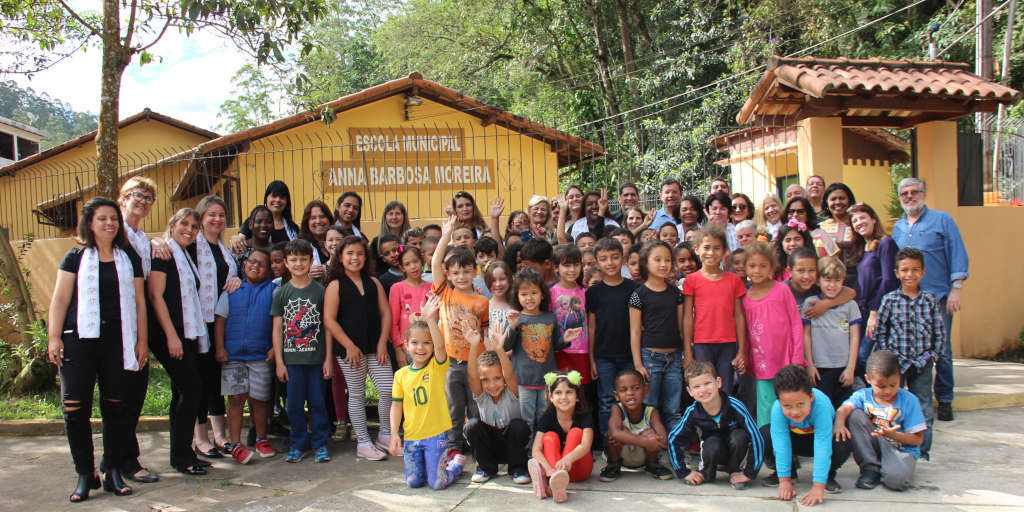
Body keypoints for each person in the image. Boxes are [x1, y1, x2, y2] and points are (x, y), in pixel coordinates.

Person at [48, 197, 146, 501]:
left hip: (118, 340)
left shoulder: (129, 257)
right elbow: (60, 300)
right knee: (74, 408)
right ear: (90, 223)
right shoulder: (75, 257)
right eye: (102, 218)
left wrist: (142, 340)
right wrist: (54, 338)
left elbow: (140, 303)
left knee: (116, 406)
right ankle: (84, 473)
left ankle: (112, 470)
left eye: (113, 218)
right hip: (78, 341)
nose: (109, 224)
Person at [891, 177, 968, 422]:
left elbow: (958, 253)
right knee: (909, 350)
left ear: (923, 194)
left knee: (941, 351)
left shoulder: (942, 220)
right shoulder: (898, 227)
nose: (909, 196)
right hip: (907, 301)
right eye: (904, 193)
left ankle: (944, 400)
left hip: (938, 298)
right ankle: (913, 402)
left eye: (914, 192)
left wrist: (956, 288)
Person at [149, 208, 209, 475]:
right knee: (192, 390)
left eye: (195, 226)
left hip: (187, 333)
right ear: (172, 225)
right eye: (184, 224)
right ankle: (184, 457)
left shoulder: (185, 255)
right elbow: (155, 296)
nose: (189, 229)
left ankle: (182, 453)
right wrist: (171, 335)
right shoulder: (164, 254)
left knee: (181, 394)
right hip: (169, 335)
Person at [323, 236, 393, 461]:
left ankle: (385, 434)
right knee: (356, 395)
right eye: (350, 253)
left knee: (389, 390)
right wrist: (349, 346)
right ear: (340, 258)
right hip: (350, 350)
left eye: (360, 253)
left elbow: (386, 313)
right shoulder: (335, 286)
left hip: (375, 347)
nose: (355, 258)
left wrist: (383, 341)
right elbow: (329, 320)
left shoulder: (374, 282)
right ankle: (363, 442)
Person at [388, 296, 467, 489]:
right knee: (414, 482)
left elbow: (441, 347)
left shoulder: (436, 367)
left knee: (437, 482)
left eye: (426, 343)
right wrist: (393, 434)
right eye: (415, 343)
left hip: (436, 436)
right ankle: (436, 464)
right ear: (406, 345)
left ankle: (455, 464)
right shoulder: (401, 375)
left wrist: (431, 319)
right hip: (412, 436)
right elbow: (396, 405)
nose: (420, 348)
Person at [113, 177, 162, 485]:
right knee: (122, 395)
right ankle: (122, 461)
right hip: (118, 322)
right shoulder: (113, 231)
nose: (143, 201)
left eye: (148, 198)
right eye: (138, 196)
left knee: (135, 390)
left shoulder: (142, 237)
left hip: (138, 317)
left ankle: (122, 458)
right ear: (123, 197)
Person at [873, 247, 944, 460]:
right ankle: (891, 447)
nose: (909, 274)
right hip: (896, 364)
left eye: (915, 270)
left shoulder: (930, 300)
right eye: (905, 270)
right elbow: (881, 331)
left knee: (923, 407)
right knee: (891, 407)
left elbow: (939, 331)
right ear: (897, 273)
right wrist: (888, 358)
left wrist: (932, 355)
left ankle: (921, 451)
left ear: (923, 272)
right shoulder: (890, 300)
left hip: (922, 364)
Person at [431, 216, 491, 453]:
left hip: (475, 363)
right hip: (452, 364)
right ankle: (454, 445)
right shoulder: (445, 293)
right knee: (455, 408)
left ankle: (477, 444)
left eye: (466, 272)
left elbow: (485, 335)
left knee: (475, 407)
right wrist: (446, 235)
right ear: (448, 274)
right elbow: (435, 264)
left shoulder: (482, 301)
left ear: (475, 272)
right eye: (455, 272)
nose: (461, 277)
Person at [213, 248, 278, 464]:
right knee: (235, 400)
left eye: (261, 264)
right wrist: (220, 348)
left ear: (268, 270)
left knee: (260, 401)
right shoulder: (231, 291)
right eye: (252, 261)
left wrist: (274, 348)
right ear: (244, 264)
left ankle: (261, 438)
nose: (255, 266)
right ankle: (235, 444)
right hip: (233, 356)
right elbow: (220, 320)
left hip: (261, 356)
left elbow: (281, 323)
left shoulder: (273, 291)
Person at [271, 239, 333, 464]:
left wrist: (328, 359)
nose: (299, 264)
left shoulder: (320, 291)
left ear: (311, 261)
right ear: (286, 263)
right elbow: (277, 330)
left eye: (303, 259)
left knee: (318, 402)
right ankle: (297, 443)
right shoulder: (282, 293)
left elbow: (327, 327)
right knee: (294, 405)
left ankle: (320, 444)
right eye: (293, 259)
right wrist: (279, 362)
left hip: (316, 360)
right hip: (292, 361)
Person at [833, 350, 926, 491]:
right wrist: (839, 424)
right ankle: (870, 468)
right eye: (881, 386)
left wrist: (894, 435)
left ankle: (889, 468)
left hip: (900, 449)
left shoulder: (910, 400)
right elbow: (843, 409)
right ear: (868, 380)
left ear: (900, 378)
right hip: (875, 444)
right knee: (855, 415)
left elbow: (918, 440)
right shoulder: (863, 395)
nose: (888, 391)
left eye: (893, 385)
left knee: (896, 482)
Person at [760, 364, 852, 505]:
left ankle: (827, 475)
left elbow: (823, 445)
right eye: (788, 406)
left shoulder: (822, 406)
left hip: (820, 440)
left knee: (842, 439)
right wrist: (784, 480)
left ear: (811, 397)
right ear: (779, 401)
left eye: (801, 404)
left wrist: (818, 486)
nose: (795, 412)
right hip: (795, 440)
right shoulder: (777, 409)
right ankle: (788, 471)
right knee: (764, 434)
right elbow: (781, 443)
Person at [194, 195, 241, 460]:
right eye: (211, 214)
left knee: (215, 380)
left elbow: (228, 276)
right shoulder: (193, 246)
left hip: (220, 323)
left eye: (221, 215)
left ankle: (220, 435)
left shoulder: (223, 249)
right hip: (198, 323)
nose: (217, 219)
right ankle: (200, 438)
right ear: (201, 217)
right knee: (198, 381)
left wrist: (234, 279)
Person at [668, 361, 763, 489]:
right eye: (697, 387)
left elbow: (757, 437)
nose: (703, 390)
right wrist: (683, 472)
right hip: (712, 450)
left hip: (735, 449)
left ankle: (735, 471)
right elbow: (674, 439)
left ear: (718, 382)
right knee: (712, 442)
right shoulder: (692, 412)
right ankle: (707, 472)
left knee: (739, 436)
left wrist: (749, 473)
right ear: (690, 391)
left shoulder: (735, 405)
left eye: (707, 383)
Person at [505, 267, 578, 429]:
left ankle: (542, 448)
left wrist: (566, 339)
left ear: (542, 294)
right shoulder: (516, 318)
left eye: (533, 293)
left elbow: (555, 344)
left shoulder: (549, 317)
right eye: (524, 294)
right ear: (517, 296)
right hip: (524, 380)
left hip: (548, 379)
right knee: (527, 419)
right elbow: (506, 346)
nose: (529, 298)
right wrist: (512, 327)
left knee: (545, 417)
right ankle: (529, 450)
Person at [741, 242, 805, 426]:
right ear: (745, 268)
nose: (757, 270)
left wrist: (797, 357)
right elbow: (745, 334)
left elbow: (795, 324)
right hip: (762, 364)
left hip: (786, 360)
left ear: (772, 267)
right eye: (752, 266)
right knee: (766, 406)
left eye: (763, 266)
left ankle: (789, 446)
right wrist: (746, 358)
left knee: (791, 403)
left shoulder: (782, 290)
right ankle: (768, 446)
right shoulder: (745, 299)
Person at [683, 225, 747, 397]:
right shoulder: (691, 280)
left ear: (725, 250)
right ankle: (707, 422)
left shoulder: (734, 281)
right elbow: (688, 317)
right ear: (696, 249)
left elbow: (739, 316)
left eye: (717, 248)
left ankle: (724, 422)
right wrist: (688, 352)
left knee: (725, 387)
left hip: (728, 343)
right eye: (707, 247)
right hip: (702, 343)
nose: (711, 252)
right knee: (704, 386)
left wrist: (741, 350)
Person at [465, 318, 531, 484]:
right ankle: (486, 468)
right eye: (486, 380)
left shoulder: (511, 392)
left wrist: (500, 349)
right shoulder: (482, 396)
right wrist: (474, 346)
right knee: (472, 425)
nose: (492, 384)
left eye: (497, 378)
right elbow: (473, 376)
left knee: (518, 425)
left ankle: (518, 469)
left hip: (512, 447)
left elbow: (509, 374)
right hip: (490, 448)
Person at [586, 237, 639, 438]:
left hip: (628, 355)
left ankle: (631, 442)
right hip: (604, 356)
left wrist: (638, 359)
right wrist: (592, 360)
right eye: (604, 259)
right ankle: (610, 443)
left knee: (630, 399)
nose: (610, 263)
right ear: (597, 263)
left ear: (623, 258)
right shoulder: (594, 292)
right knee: (607, 400)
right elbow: (592, 328)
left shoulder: (633, 288)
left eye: (615, 257)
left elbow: (638, 326)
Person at [629, 240, 685, 428]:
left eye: (667, 260)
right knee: (650, 406)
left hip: (675, 358)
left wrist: (686, 354)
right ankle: (650, 450)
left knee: (673, 409)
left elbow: (681, 327)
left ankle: (674, 450)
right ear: (646, 263)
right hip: (650, 358)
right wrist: (638, 363)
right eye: (657, 259)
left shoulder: (676, 293)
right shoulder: (638, 295)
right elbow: (635, 331)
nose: (663, 264)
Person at [802, 256, 861, 410]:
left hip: (843, 367)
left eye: (837, 281)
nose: (832, 285)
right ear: (818, 281)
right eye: (828, 280)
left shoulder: (850, 305)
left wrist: (851, 367)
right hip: (820, 367)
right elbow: (806, 335)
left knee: (843, 408)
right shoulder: (810, 303)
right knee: (822, 408)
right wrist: (810, 364)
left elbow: (854, 337)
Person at [527, 371, 595, 502]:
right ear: (550, 397)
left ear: (577, 397)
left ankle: (549, 483)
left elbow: (586, 446)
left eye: (569, 392)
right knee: (549, 436)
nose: (563, 397)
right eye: (558, 393)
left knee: (576, 432)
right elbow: (535, 449)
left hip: (579, 470)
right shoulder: (547, 417)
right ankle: (554, 482)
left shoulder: (585, 416)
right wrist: (548, 469)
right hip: (555, 469)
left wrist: (568, 458)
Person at [849, 203, 899, 372]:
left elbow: (888, 280)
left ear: (874, 219)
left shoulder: (886, 243)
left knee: (865, 356)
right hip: (863, 310)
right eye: (855, 220)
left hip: (878, 310)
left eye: (862, 217)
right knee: (858, 356)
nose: (859, 222)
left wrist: (874, 312)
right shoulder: (865, 247)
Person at [600, 369, 673, 481]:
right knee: (612, 435)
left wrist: (647, 438)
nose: (630, 393)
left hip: (644, 457)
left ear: (646, 390)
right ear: (617, 395)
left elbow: (664, 440)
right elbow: (614, 432)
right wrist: (644, 441)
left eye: (636, 388)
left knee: (650, 433)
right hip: (621, 456)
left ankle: (653, 465)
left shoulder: (651, 412)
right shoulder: (617, 409)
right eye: (623, 390)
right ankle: (613, 466)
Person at [550, 245, 590, 387]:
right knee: (563, 390)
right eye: (567, 265)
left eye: (576, 265)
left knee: (582, 393)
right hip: (561, 352)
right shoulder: (551, 293)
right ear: (556, 267)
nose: (572, 270)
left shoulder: (585, 292)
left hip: (583, 351)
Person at [389, 246, 431, 368]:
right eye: (407, 264)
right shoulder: (397, 288)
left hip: (429, 346)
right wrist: (398, 351)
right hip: (407, 349)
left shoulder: (431, 287)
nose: (413, 266)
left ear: (422, 261)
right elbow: (393, 323)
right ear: (402, 267)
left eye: (416, 261)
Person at [232, 180, 298, 250]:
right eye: (274, 196)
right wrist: (236, 238)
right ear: (266, 198)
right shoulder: (253, 223)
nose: (278, 200)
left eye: (282, 197)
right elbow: (239, 240)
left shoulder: (293, 229)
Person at [297, 200, 335, 281]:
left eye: (322, 216)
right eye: (313, 218)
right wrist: (307, 276)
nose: (318, 221)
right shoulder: (300, 247)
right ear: (307, 222)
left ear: (329, 219)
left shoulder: (339, 242)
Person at [371, 200, 411, 271]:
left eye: (398, 213)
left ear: (404, 216)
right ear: (385, 217)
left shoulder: (410, 239)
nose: (394, 217)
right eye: (390, 214)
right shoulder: (376, 242)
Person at [235, 206, 274, 270]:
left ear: (273, 225)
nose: (263, 225)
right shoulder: (240, 249)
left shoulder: (277, 251)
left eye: (268, 222)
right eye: (259, 222)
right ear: (250, 225)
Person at [484, 260, 514, 339]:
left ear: (509, 280)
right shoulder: (485, 307)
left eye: (502, 279)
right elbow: (484, 336)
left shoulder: (516, 306)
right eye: (493, 280)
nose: (498, 284)